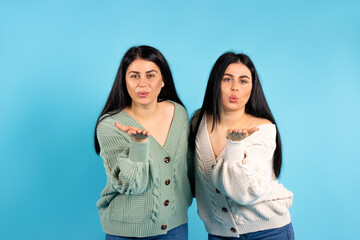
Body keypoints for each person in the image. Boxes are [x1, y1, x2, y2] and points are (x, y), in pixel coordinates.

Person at [189, 52, 294, 240]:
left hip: (269, 231)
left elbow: (244, 194)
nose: (234, 88)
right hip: (219, 233)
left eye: (243, 81)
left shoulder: (263, 128)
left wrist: (234, 145)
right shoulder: (199, 120)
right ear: (215, 83)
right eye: (227, 79)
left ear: (252, 87)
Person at [94, 45, 193, 240]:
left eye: (150, 75)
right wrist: (138, 144)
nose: (142, 84)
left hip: (175, 229)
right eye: (134, 76)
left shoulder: (179, 114)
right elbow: (132, 185)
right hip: (125, 232)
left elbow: (188, 169)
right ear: (124, 81)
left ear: (163, 80)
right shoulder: (109, 125)